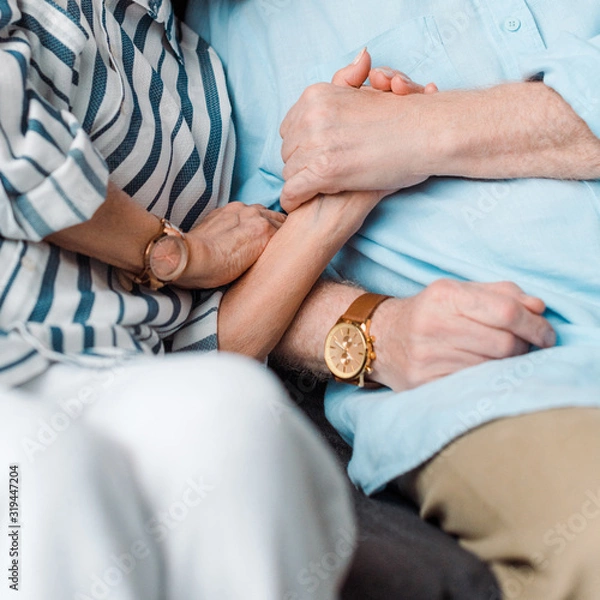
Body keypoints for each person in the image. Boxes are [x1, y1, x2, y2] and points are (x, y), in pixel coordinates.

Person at [0, 0, 552, 597]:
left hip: (111, 378)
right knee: (41, 471)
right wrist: (169, 251)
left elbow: (203, 347)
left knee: (236, 421)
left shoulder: (197, 83)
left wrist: (337, 202)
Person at [187, 1, 600, 598]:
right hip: (515, 380)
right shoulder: (199, 58)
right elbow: (220, 304)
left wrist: (424, 130)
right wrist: (374, 331)